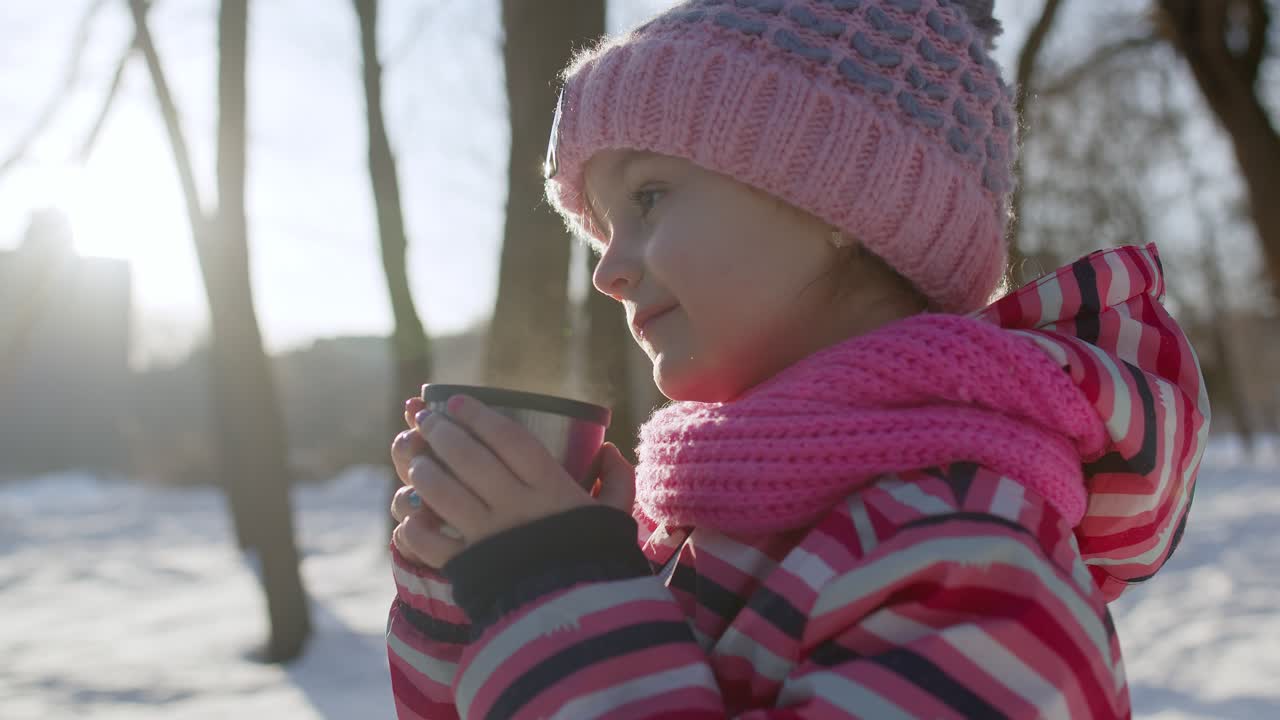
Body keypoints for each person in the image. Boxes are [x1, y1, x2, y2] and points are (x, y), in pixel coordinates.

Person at [384, 1, 1210, 717]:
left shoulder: (972, 554)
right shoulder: (708, 524)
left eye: (647, 197)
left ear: (846, 199)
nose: (608, 269)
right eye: (604, 229)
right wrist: (473, 583)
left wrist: (554, 591)